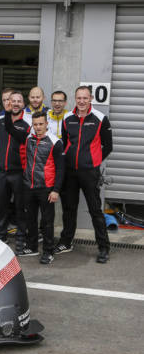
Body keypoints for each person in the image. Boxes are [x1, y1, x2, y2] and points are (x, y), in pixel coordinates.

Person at [56, 86, 113, 263]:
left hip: (90, 172)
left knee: (95, 210)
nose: (81, 101)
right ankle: (66, 242)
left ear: (91, 98)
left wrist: (93, 162)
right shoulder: (67, 118)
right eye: (78, 98)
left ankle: (104, 248)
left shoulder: (100, 118)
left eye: (85, 98)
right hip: (70, 173)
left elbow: (108, 146)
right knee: (69, 209)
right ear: (75, 98)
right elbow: (65, 144)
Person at [5, 109, 64, 264]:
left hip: (46, 188)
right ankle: (32, 247)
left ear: (46, 124)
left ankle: (49, 252)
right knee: (30, 219)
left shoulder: (55, 142)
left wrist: (56, 190)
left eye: (40, 124)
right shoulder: (28, 138)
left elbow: (60, 169)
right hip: (29, 187)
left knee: (47, 222)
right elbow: (9, 129)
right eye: (35, 124)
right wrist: (8, 111)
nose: (38, 127)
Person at [0, 91, 31, 249]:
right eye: (12, 100)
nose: (15, 103)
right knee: (1, 205)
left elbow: (18, 136)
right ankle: (0, 234)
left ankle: (21, 236)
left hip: (19, 172)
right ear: (8, 102)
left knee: (20, 207)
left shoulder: (28, 122)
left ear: (23, 104)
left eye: (18, 101)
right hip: (1, 171)